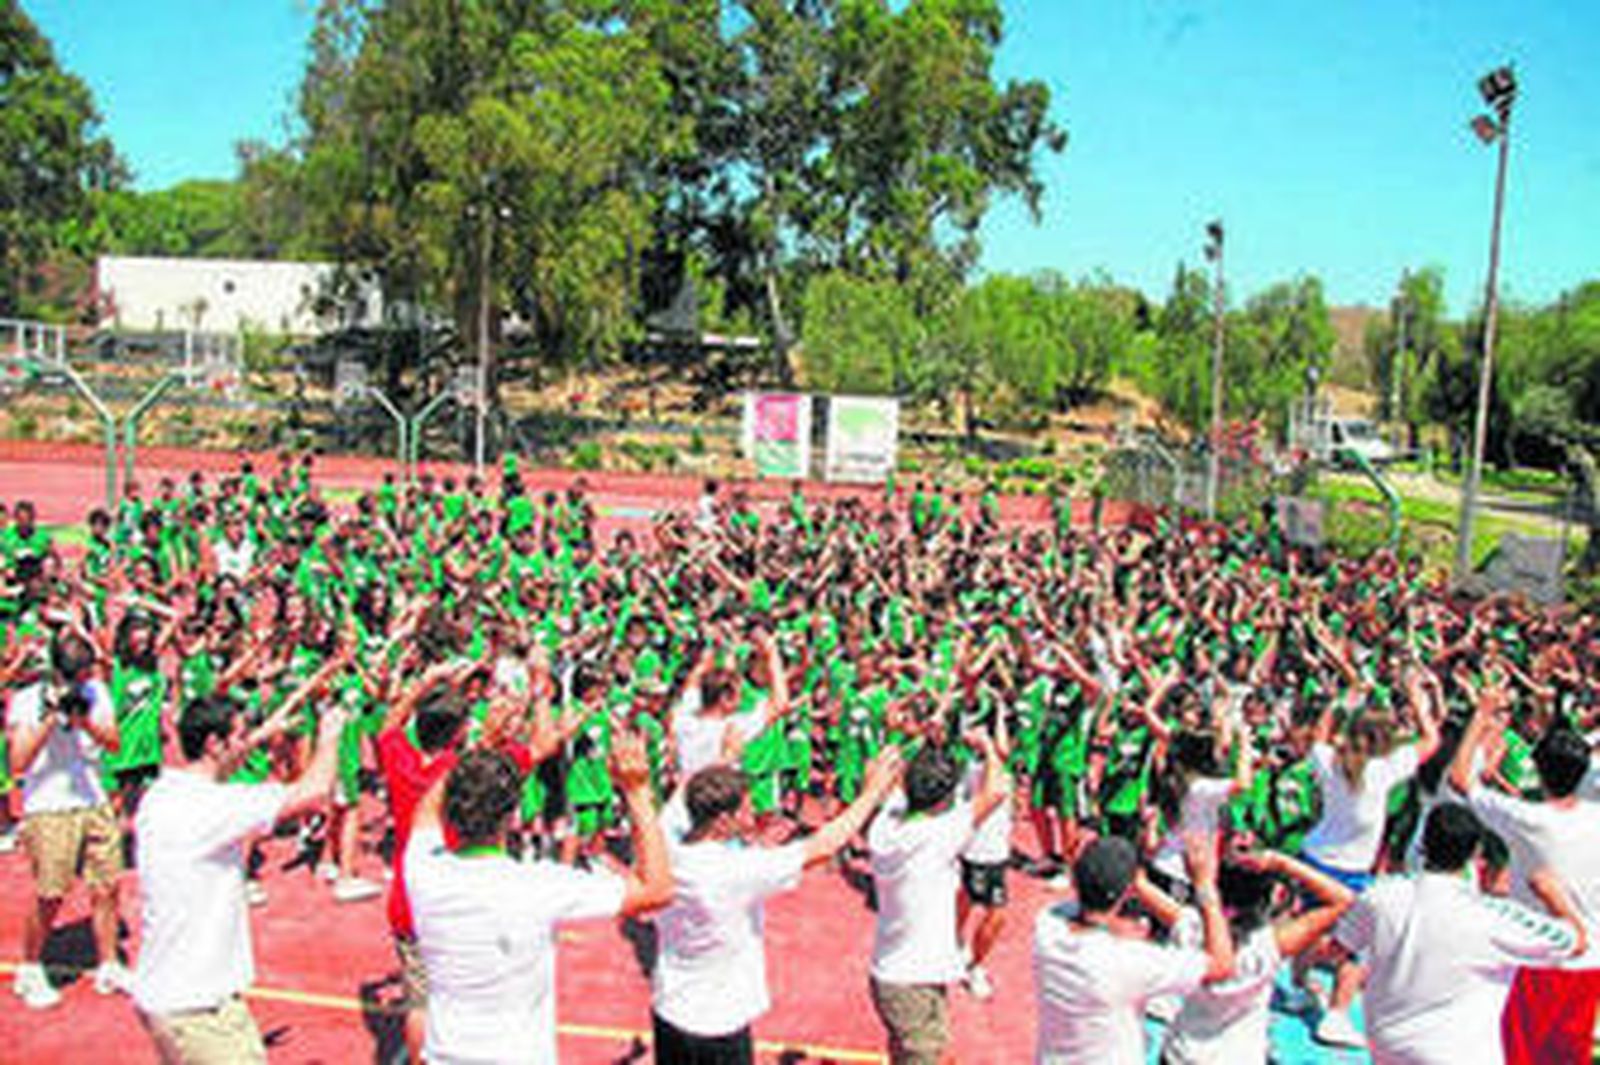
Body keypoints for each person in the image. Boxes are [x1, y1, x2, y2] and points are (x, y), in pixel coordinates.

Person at [405, 729, 672, 1064]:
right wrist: (637, 790)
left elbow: (426, 810)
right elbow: (657, 889)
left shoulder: (423, 868)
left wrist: (478, 753)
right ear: (513, 816)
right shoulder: (537, 885)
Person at [131, 694, 349, 1064]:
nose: (247, 743)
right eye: (241, 735)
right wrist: (330, 734)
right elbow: (313, 793)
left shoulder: (164, 794)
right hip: (199, 1007)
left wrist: (264, 732)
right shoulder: (214, 807)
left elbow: (224, 762)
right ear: (214, 743)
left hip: (167, 994)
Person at [651, 747, 904, 1064]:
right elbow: (823, 846)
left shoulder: (665, 845)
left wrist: (725, 758)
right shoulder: (737, 871)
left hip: (669, 1007)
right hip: (718, 1021)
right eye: (745, 808)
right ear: (723, 820)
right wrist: (872, 793)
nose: (753, 812)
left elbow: (684, 792)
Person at [1333, 802, 1585, 1065]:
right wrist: (1553, 896)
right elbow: (1575, 942)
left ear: (1423, 844)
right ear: (1475, 854)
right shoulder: (1494, 917)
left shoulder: (1380, 896)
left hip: (1387, 1049)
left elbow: (1341, 946)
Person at [1449, 681, 1600, 1065]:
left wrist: (1481, 714)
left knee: (1518, 1055)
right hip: (1589, 965)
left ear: (1538, 770)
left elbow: (1461, 780)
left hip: (1538, 960)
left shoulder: (1528, 819)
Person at [867, 735, 1008, 1065]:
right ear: (944, 800)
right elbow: (998, 789)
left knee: (916, 1053)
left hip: (901, 973)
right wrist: (988, 747)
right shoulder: (938, 835)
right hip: (912, 981)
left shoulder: (885, 824)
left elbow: (877, 774)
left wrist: (897, 737)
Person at [1032, 835, 1233, 1064]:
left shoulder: (1046, 927)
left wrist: (1132, 884)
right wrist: (1205, 887)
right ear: (1127, 892)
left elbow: (1083, 910)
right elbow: (1221, 965)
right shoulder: (1130, 962)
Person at [7, 633, 125, 1009]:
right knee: (50, 892)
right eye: (75, 676)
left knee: (107, 885)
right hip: (48, 805)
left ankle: (109, 963)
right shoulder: (26, 701)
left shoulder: (97, 693)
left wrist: (84, 720)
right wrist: (51, 719)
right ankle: (29, 968)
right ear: (56, 672)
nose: (82, 681)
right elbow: (18, 763)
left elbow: (113, 743)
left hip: (93, 798)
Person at [1161, 842, 1356, 1064]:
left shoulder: (1188, 925)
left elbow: (1137, 881)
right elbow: (1343, 900)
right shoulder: (1268, 945)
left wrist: (1202, 881)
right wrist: (1282, 862)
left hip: (1181, 1055)